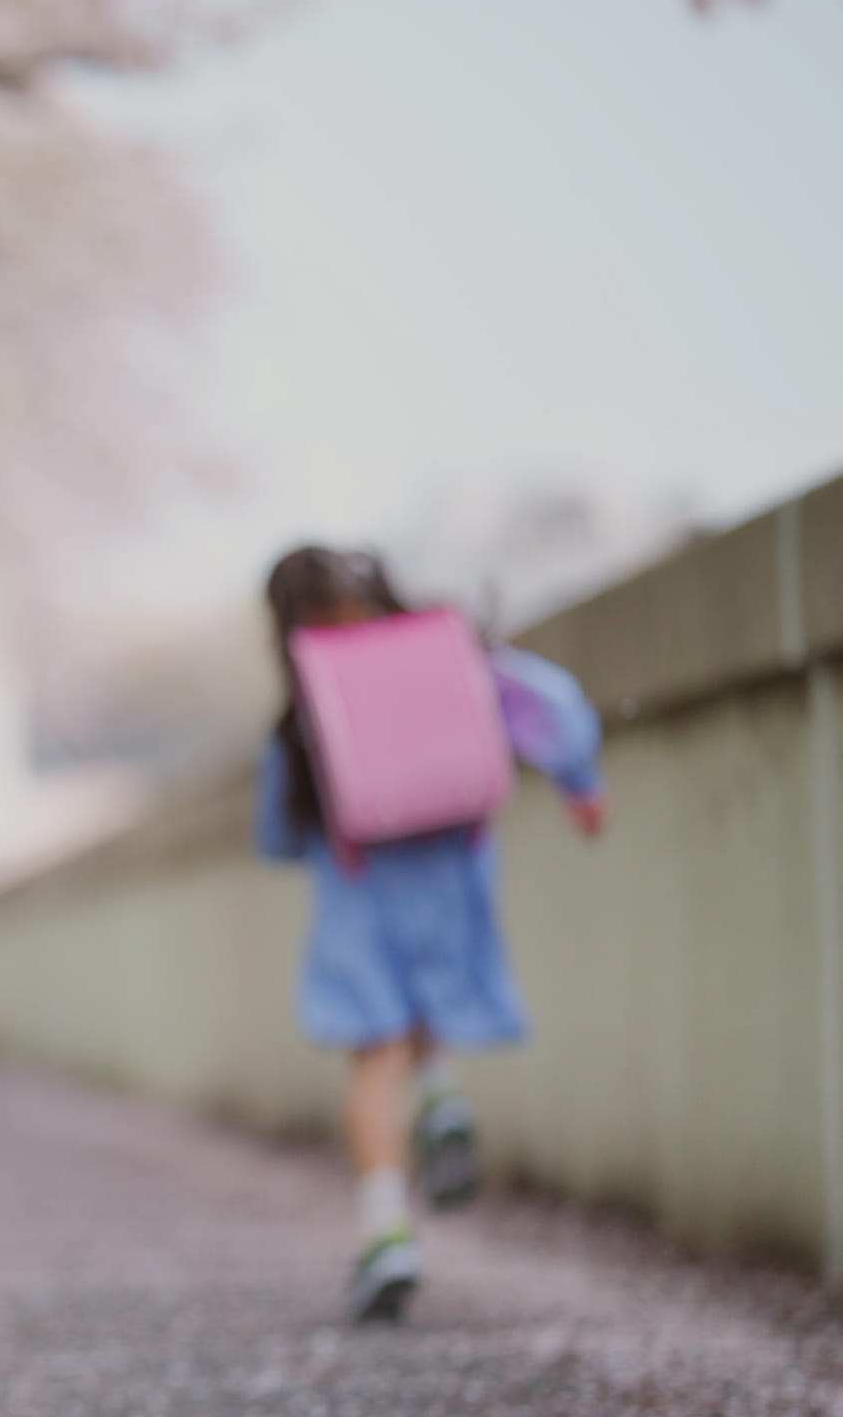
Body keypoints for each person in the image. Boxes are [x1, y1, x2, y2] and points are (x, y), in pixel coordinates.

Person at [254, 545, 605, 1323]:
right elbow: (548, 704)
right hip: (450, 874)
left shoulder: (304, 706)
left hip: (355, 892)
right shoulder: (441, 651)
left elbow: (275, 835)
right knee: (429, 999)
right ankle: (441, 1095)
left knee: (372, 1057)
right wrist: (580, 781)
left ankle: (387, 1235)